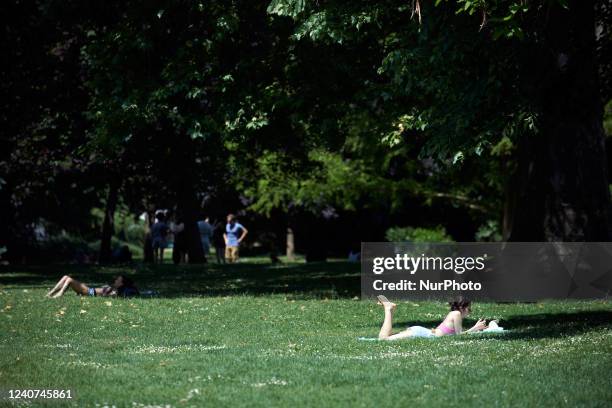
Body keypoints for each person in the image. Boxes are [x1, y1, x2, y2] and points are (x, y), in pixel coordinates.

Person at [377, 295, 487, 340]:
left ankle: (389, 309)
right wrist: (475, 328)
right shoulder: (456, 314)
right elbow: (459, 336)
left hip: (421, 332)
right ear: (463, 307)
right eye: (469, 308)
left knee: (385, 337)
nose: (470, 311)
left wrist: (475, 329)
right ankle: (388, 308)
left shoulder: (453, 314)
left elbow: (456, 334)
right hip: (422, 333)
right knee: (384, 339)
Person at [45, 275, 139, 298]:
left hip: (88, 291)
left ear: (121, 284)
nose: (115, 280)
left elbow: (132, 291)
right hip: (89, 289)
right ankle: (51, 293)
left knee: (68, 279)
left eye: (118, 280)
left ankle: (60, 293)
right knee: (66, 277)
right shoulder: (113, 289)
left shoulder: (116, 292)